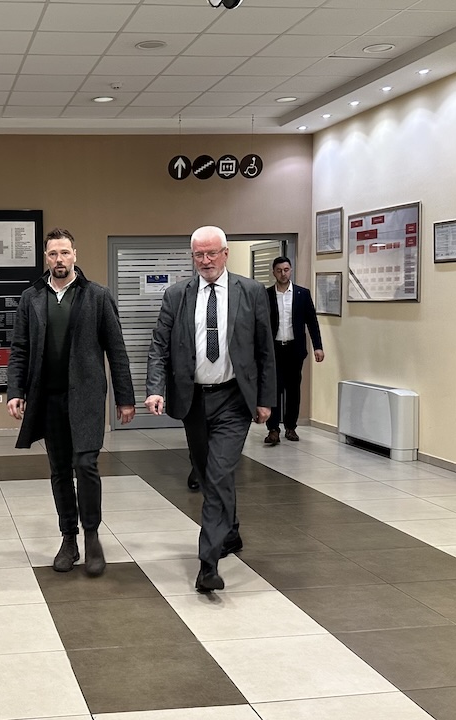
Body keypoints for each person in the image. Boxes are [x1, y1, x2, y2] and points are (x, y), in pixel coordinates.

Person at [145, 226, 276, 593]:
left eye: (212, 253)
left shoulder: (250, 292)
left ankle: (208, 564)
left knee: (218, 474)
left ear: (225, 253)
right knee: (207, 474)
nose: (205, 261)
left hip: (234, 399)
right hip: (194, 400)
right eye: (199, 255)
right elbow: (159, 346)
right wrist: (155, 389)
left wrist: (265, 400)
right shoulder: (177, 295)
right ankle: (230, 531)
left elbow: (265, 350)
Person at [7, 228, 136, 577]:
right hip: (48, 399)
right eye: (53, 254)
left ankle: (92, 536)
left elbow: (117, 350)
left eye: (64, 252)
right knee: (60, 470)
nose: (59, 259)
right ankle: (69, 539)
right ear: (46, 258)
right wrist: (15, 391)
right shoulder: (31, 297)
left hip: (87, 397)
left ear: (75, 255)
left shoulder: (97, 296)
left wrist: (125, 398)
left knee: (86, 465)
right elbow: (19, 349)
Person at [265, 256, 324, 445]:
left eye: (286, 269)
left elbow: (312, 322)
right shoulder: (266, 295)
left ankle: (290, 426)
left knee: (293, 390)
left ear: (291, 270)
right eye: (279, 270)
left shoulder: (302, 294)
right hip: (274, 350)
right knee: (274, 389)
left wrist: (318, 346)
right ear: (274, 272)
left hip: (294, 349)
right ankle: (273, 429)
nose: (283, 274)